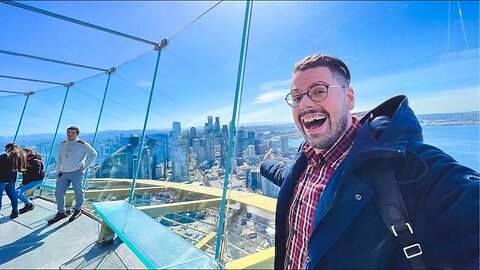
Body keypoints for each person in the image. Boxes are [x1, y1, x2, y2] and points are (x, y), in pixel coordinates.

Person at [260, 54, 479, 269]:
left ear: (349, 98)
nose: (304, 104)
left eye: (319, 91)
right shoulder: (307, 157)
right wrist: (265, 165)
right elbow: (288, 177)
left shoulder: (406, 165)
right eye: (297, 97)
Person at [48, 126, 97, 224]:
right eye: (68, 132)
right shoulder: (62, 144)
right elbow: (59, 157)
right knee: (58, 193)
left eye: (72, 133)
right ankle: (61, 212)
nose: (70, 134)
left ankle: (78, 210)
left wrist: (85, 167)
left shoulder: (82, 144)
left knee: (78, 192)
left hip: (76, 172)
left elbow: (93, 154)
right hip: (63, 172)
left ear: (77, 134)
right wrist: (58, 170)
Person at [0, 143, 27, 219]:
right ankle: (15, 212)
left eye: (6, 149)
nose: (5, 151)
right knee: (12, 196)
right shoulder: (19, 157)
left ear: (9, 148)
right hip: (11, 180)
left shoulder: (3, 157)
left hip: (1, 180)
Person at [16, 148, 45, 214]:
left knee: (17, 192)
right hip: (30, 180)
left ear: (29, 152)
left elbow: (35, 175)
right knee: (16, 192)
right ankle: (28, 203)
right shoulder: (27, 161)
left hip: (36, 180)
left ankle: (30, 204)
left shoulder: (36, 162)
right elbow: (24, 172)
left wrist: (25, 183)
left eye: (23, 153)